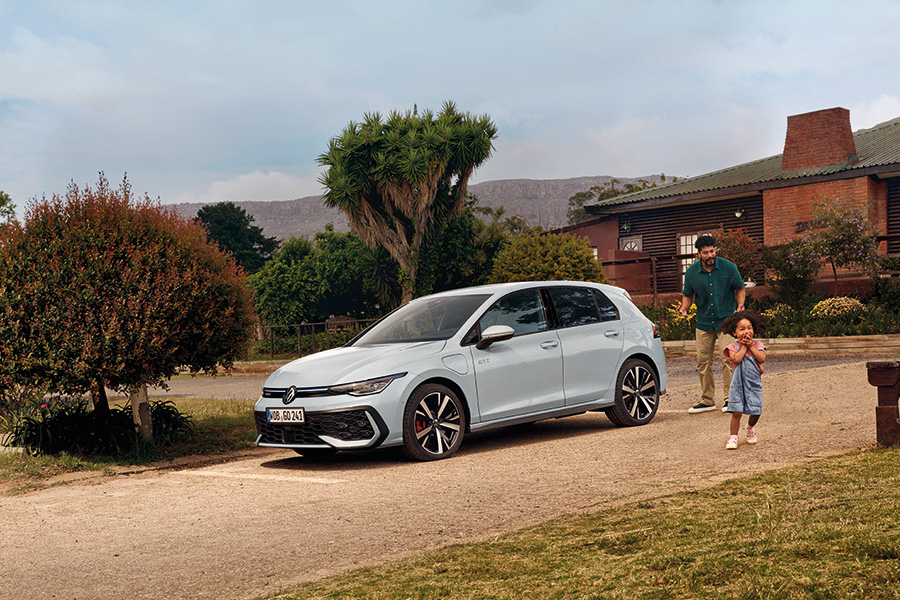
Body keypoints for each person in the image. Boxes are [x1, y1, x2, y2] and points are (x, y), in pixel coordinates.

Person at [679, 234, 746, 413]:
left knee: (728, 359)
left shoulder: (729, 267)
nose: (710, 255)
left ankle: (730, 400)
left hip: (726, 322)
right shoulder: (692, 272)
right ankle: (707, 400)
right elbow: (688, 295)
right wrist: (684, 308)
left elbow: (740, 287)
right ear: (699, 254)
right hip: (704, 322)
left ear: (715, 250)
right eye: (705, 252)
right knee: (703, 361)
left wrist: (740, 305)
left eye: (712, 251)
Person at [720, 310, 767, 449]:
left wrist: (751, 346)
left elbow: (762, 358)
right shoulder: (733, 347)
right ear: (734, 333)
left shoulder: (758, 345)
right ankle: (733, 437)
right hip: (737, 385)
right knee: (737, 412)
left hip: (753, 385)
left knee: (756, 410)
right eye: (742, 329)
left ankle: (750, 427)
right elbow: (736, 359)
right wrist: (744, 346)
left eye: (749, 328)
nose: (746, 331)